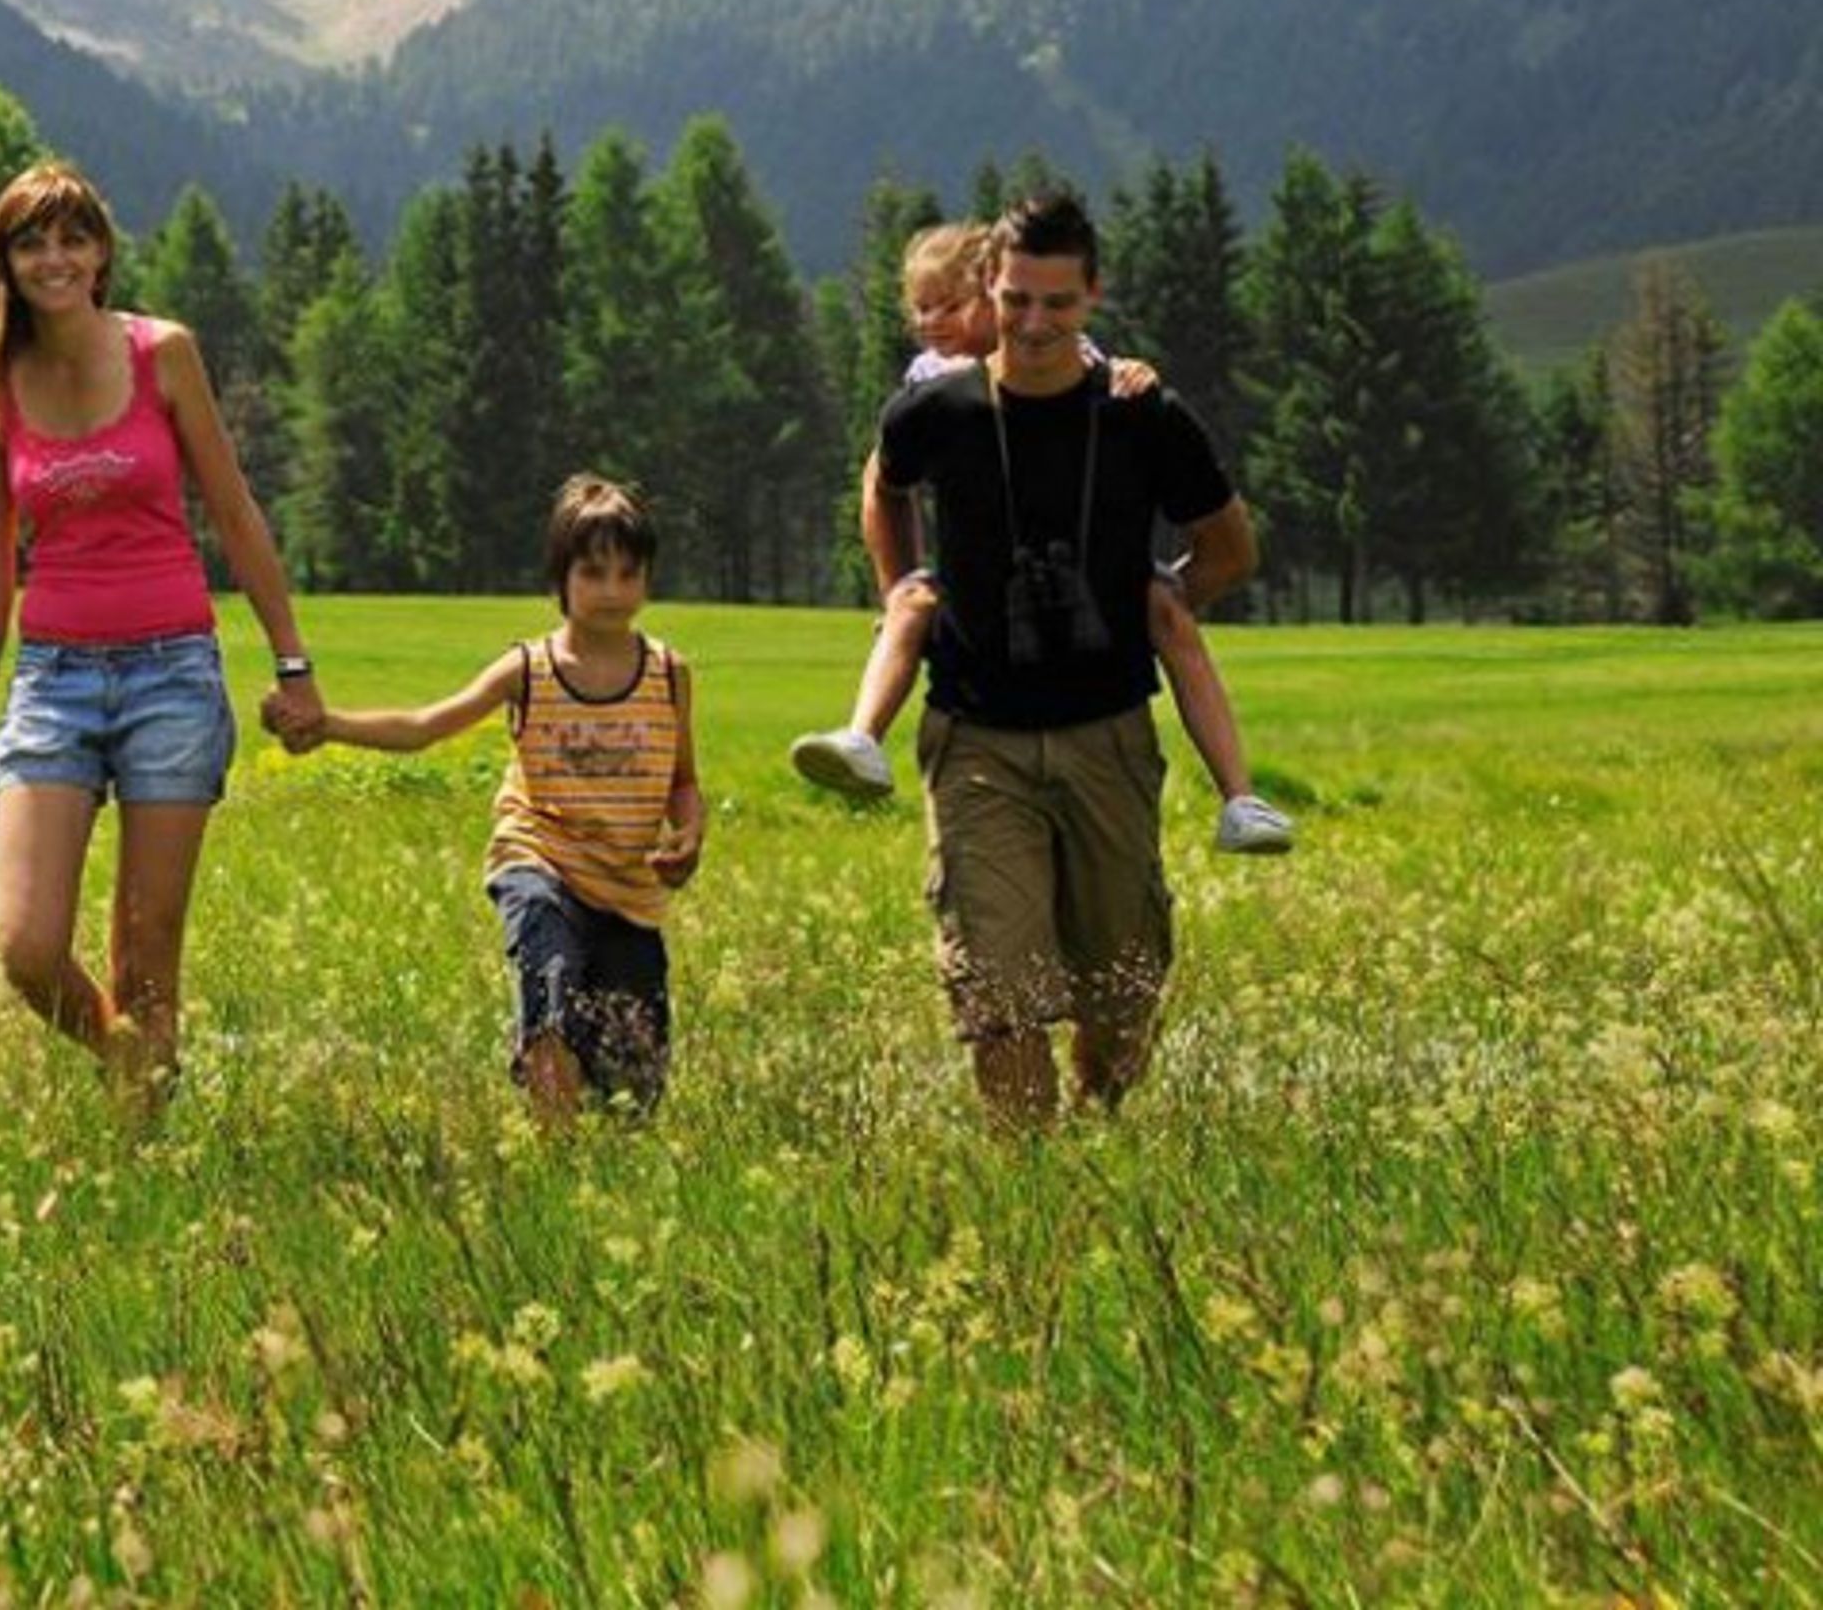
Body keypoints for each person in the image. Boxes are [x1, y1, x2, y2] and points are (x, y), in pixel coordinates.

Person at [865, 191, 1259, 1124]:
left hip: (1107, 737)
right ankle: (1029, 1186)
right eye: (1014, 300)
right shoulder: (938, 410)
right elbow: (884, 488)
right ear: (986, 291)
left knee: (1124, 992)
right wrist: (899, 589)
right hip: (976, 742)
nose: (1034, 324)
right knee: (996, 996)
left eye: (1057, 304)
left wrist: (1167, 602)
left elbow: (1232, 545)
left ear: (1093, 297)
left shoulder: (1143, 415)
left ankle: (1099, 1128)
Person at [0, 161, 323, 1105]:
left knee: (147, 957)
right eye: (32, 242)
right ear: (7, 262)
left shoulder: (164, 354)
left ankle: (138, 1161)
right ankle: (129, 1060)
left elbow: (236, 515)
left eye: (72, 238)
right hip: (54, 682)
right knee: (27, 948)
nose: (53, 258)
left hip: (172, 678)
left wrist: (293, 664)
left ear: (103, 252)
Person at [791, 223, 1293, 856]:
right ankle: (862, 736)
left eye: (949, 305)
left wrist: (1133, 374)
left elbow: (1097, 373)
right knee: (915, 607)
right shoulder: (931, 387)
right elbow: (883, 484)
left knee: (1167, 611)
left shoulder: (1067, 358)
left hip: (1091, 587)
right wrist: (896, 586)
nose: (931, 322)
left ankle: (1240, 797)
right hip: (984, 634)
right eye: (920, 308)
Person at [266, 475, 702, 1120]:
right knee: (549, 989)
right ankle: (552, 1154)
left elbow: (684, 783)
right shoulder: (529, 669)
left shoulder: (668, 673)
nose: (613, 591)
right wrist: (328, 725)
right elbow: (424, 727)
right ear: (560, 579)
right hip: (539, 860)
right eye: (594, 573)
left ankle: (606, 1160)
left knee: (631, 1078)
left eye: (628, 574)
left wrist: (689, 835)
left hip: (628, 890)